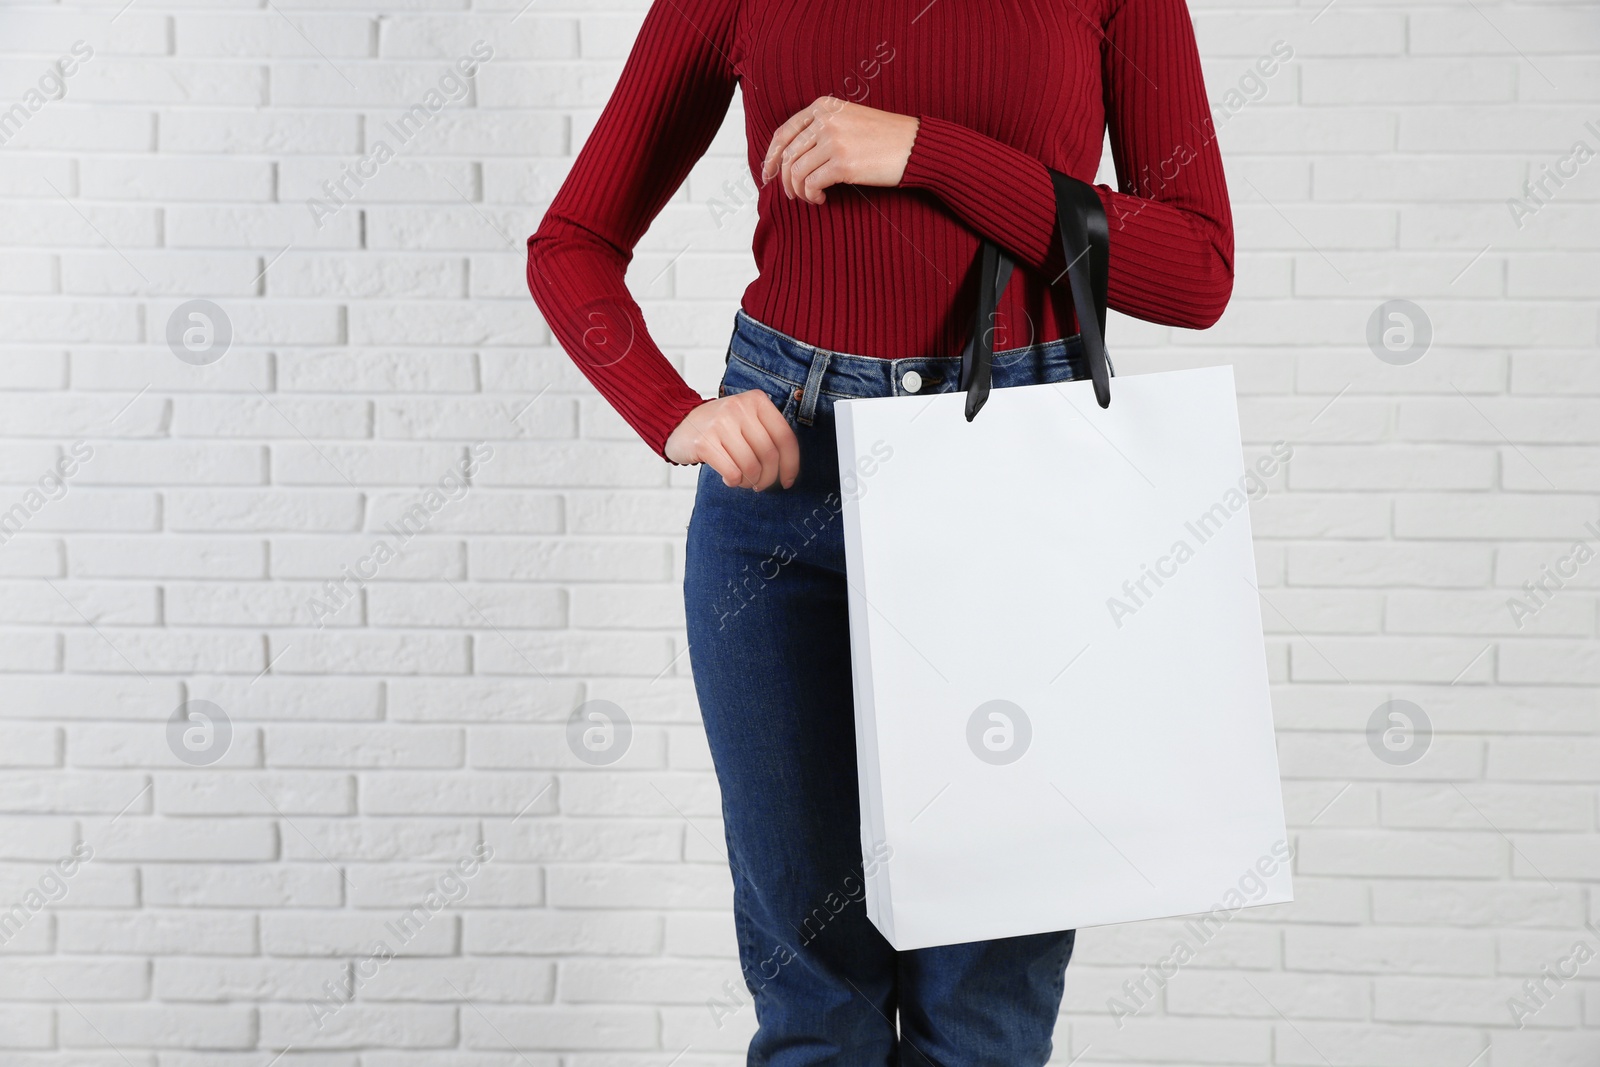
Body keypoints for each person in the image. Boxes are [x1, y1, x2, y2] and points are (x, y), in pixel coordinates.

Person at [528, 0, 1233, 1060]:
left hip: (1016, 494)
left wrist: (929, 154)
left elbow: (1195, 266)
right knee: (813, 1008)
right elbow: (572, 241)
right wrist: (672, 411)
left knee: (985, 1018)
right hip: (783, 487)